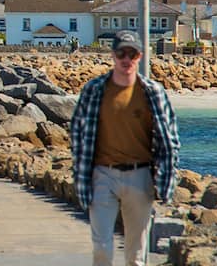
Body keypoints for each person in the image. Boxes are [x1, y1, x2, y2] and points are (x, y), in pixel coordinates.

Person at [68, 30, 182, 266]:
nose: (126, 59)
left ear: (140, 56)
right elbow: (78, 134)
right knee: (101, 247)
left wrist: (165, 182)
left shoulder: (153, 93)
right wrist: (81, 176)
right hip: (102, 175)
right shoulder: (94, 90)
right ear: (113, 55)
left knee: (136, 255)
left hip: (140, 177)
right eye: (122, 53)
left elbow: (169, 140)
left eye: (132, 53)